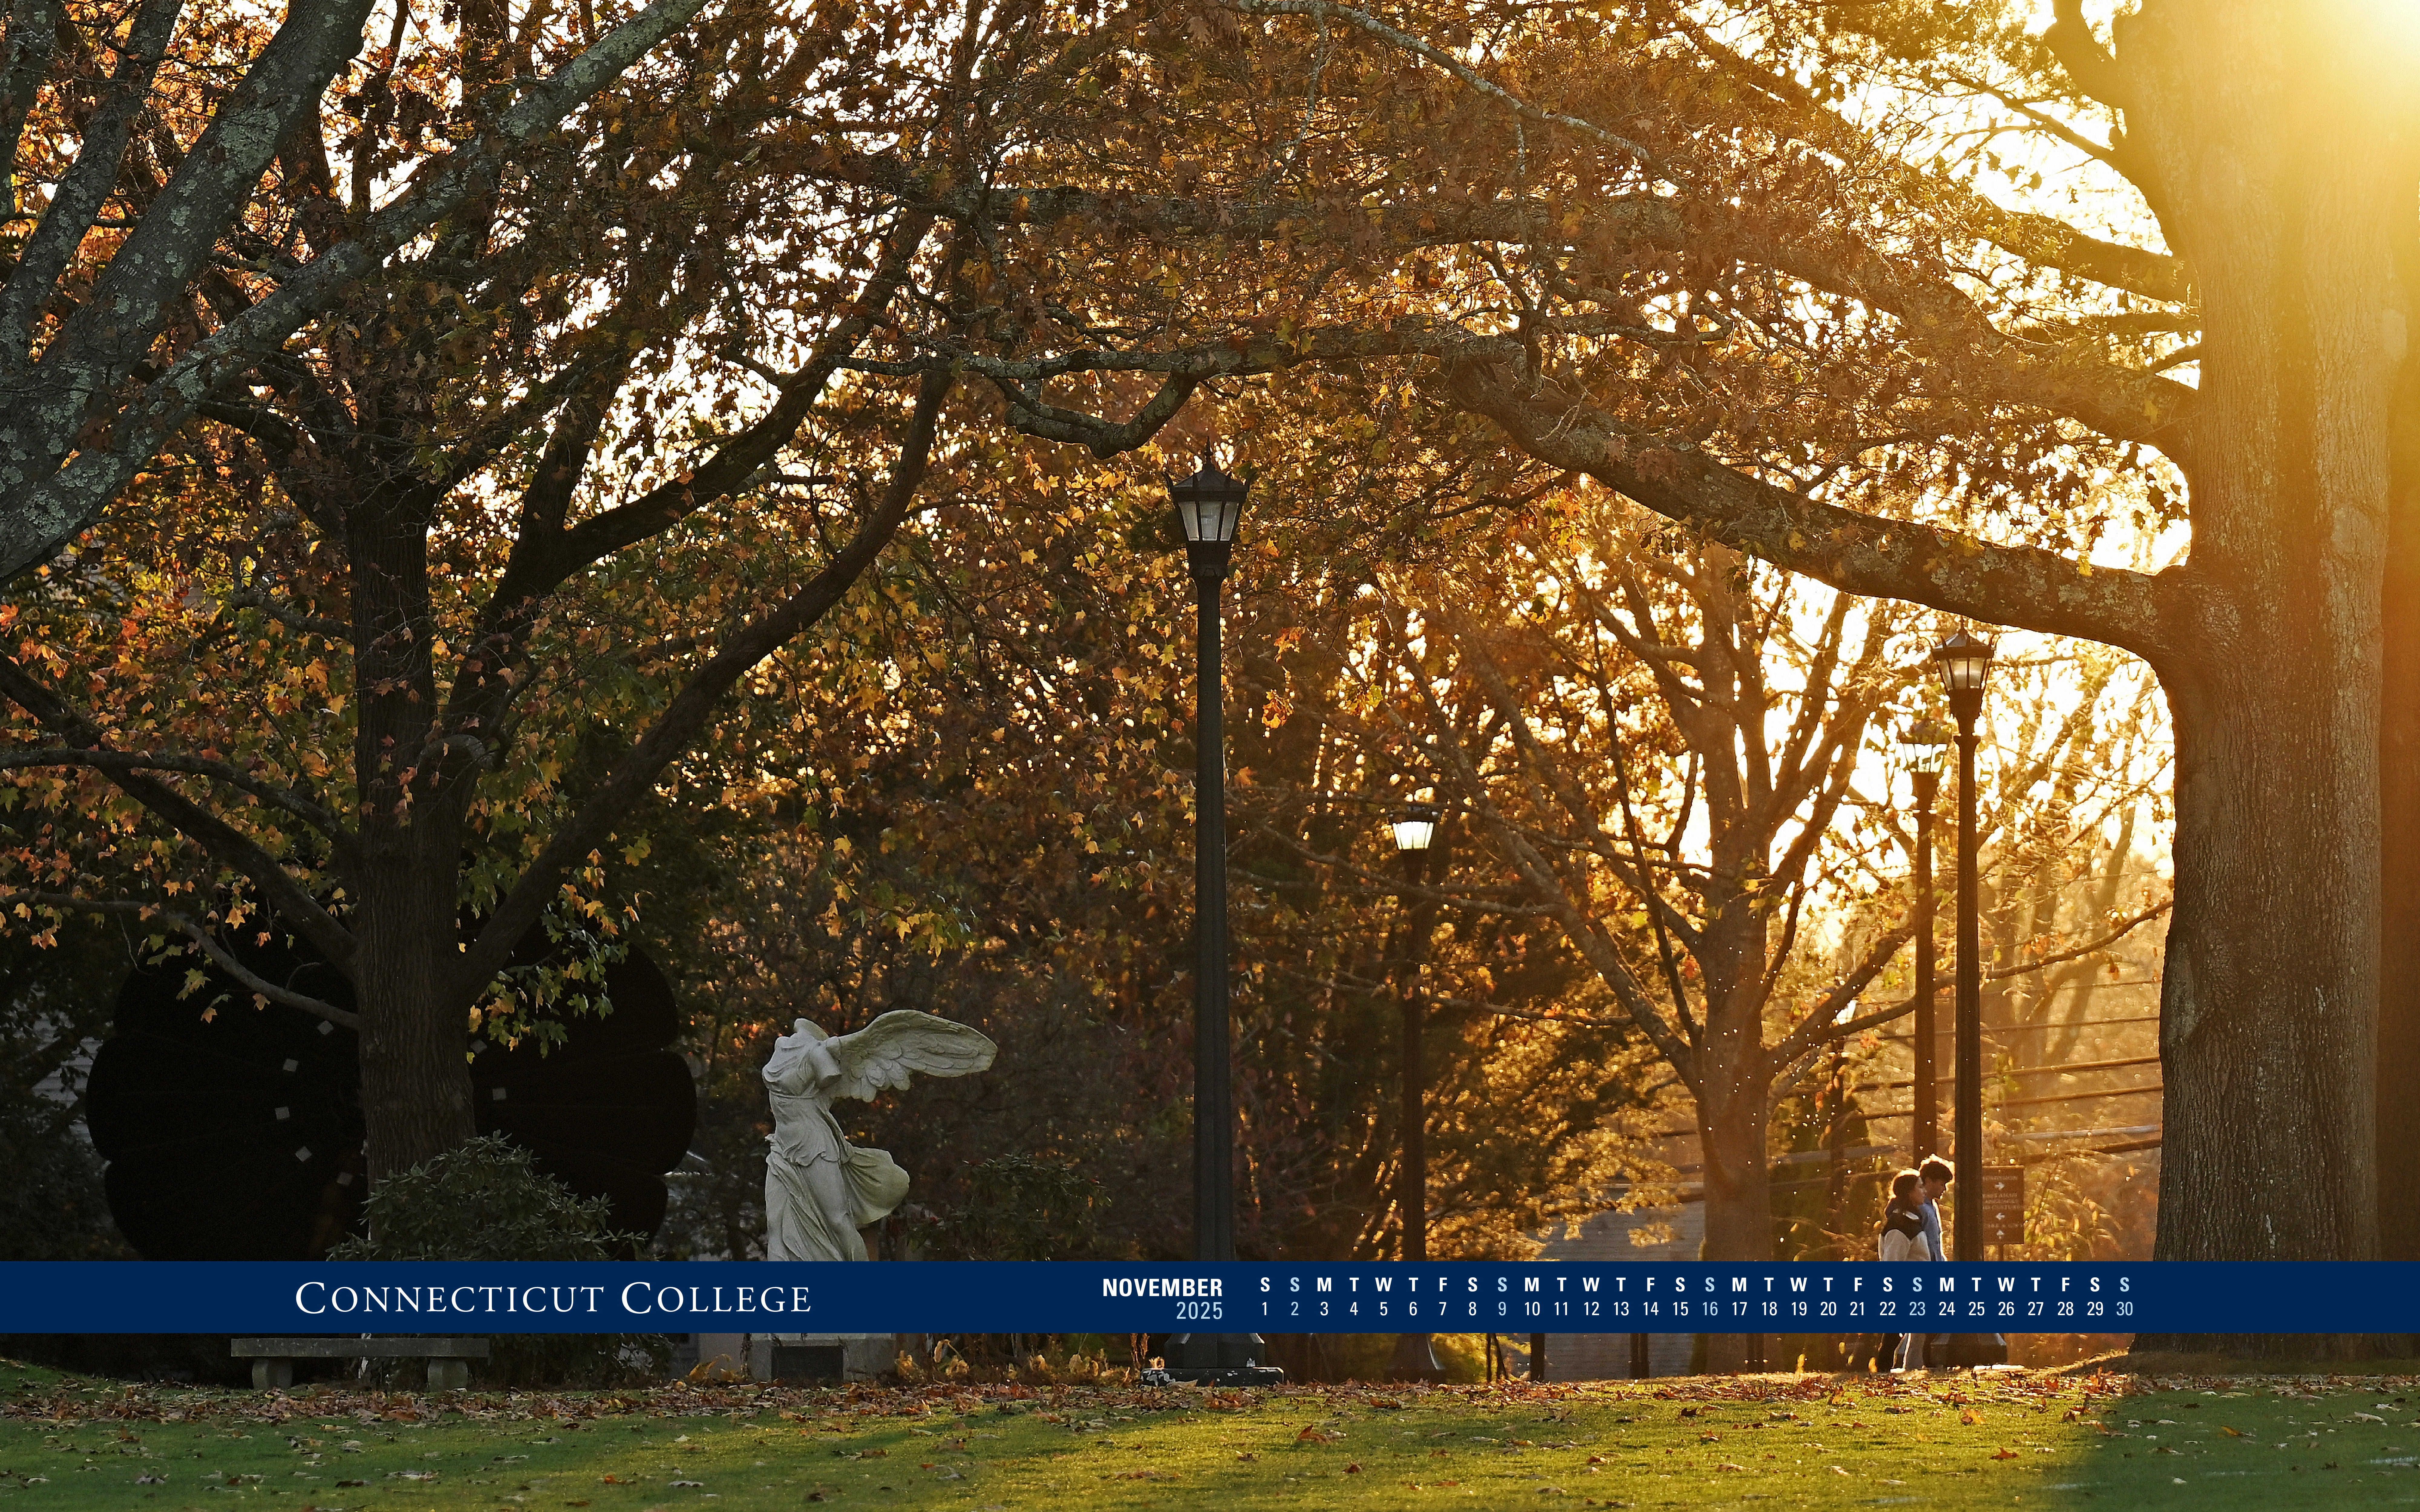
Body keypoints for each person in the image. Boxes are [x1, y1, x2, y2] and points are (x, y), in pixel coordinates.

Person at [1872, 1170, 1928, 1370]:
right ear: (1909, 1193)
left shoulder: (1912, 1221)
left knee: (1916, 1332)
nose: (1924, 1191)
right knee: (1895, 1334)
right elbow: (1892, 1263)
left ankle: (1911, 1369)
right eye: (1920, 1187)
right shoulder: (1900, 1226)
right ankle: (1886, 1371)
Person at [1915, 1155, 1953, 1366]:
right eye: (1941, 1184)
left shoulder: (1931, 1206)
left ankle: (1929, 1361)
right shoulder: (1921, 1208)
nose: (1944, 1190)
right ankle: (1929, 1362)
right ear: (1928, 1181)